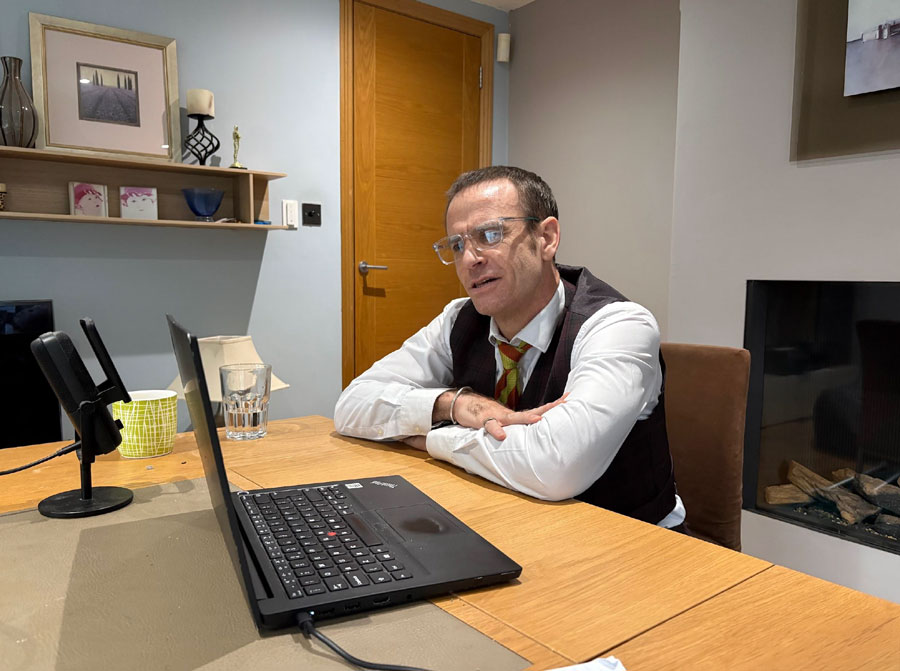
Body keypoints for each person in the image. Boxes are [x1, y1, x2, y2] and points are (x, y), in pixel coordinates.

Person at [334, 166, 684, 527]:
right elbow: (352, 404)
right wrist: (454, 405)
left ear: (546, 238)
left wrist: (433, 436)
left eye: (490, 234)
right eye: (457, 245)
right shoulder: (458, 319)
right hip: (513, 522)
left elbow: (556, 466)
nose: (469, 259)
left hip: (632, 539)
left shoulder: (619, 325)